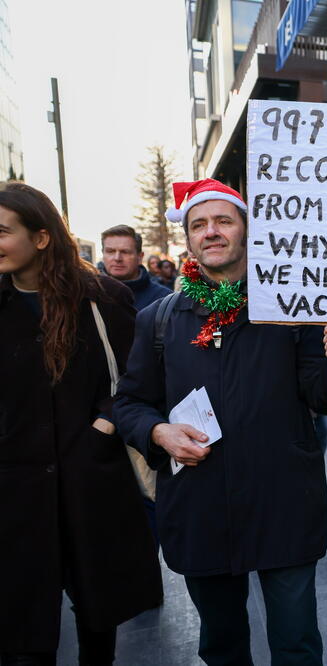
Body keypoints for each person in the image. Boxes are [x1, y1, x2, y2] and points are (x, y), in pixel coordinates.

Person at [114, 178, 327, 665]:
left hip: (284, 503)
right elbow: (129, 404)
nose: (211, 231)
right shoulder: (159, 320)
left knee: (296, 644)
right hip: (198, 508)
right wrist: (159, 431)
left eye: (223, 220)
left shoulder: (295, 309)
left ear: (248, 230)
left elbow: (324, 396)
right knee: (222, 645)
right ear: (186, 239)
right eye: (198, 224)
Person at [0, 183, 162, 664]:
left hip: (91, 481)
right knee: (22, 624)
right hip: (16, 489)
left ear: (42, 237)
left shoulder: (102, 298)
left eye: (3, 231)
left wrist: (102, 427)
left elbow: (137, 378)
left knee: (97, 612)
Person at [101, 224, 171, 311]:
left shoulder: (164, 299)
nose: (117, 258)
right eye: (110, 251)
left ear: (140, 257)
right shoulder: (89, 294)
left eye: (125, 252)